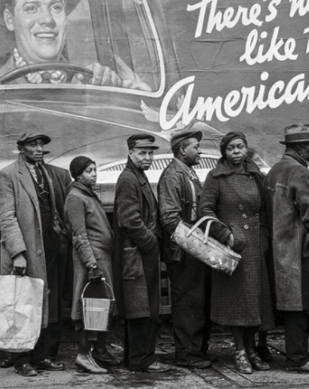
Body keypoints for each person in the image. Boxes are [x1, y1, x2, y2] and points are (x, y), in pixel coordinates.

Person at [0, 0, 149, 89]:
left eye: (56, 7)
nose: (47, 19)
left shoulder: (91, 85)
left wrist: (123, 95)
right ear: (10, 20)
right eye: (31, 8)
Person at [198, 131, 274, 375]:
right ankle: (240, 350)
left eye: (240, 147)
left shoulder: (255, 175)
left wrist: (262, 238)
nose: (236, 152)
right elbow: (205, 211)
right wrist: (226, 235)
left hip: (254, 247)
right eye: (231, 148)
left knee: (254, 302)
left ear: (246, 148)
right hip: (231, 249)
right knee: (236, 302)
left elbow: (263, 211)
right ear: (224, 152)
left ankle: (251, 349)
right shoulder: (215, 177)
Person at [0, 130, 70, 377]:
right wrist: (17, 252)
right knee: (21, 304)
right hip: (25, 251)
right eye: (33, 145)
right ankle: (21, 360)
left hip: (47, 248)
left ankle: (40, 356)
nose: (39, 149)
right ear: (21, 148)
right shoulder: (8, 174)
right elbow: (6, 217)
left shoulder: (45, 172)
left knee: (42, 303)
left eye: (41, 145)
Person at [264, 124, 309, 375]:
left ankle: (298, 353)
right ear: (300, 147)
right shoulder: (299, 172)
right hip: (301, 250)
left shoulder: (275, 170)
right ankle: (297, 358)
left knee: (294, 305)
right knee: (301, 306)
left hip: (280, 249)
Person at [113, 134, 170, 373]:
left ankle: (134, 359)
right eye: (143, 153)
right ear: (131, 153)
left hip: (138, 252)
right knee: (141, 310)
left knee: (141, 308)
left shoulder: (137, 176)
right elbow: (129, 220)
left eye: (151, 153)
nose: (148, 157)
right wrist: (151, 243)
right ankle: (141, 360)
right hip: (136, 254)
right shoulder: (128, 179)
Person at [157, 130, 213, 370]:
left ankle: (197, 351)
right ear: (182, 150)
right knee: (186, 302)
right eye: (196, 147)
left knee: (197, 301)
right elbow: (169, 218)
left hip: (194, 249)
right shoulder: (172, 175)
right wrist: (197, 243)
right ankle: (186, 354)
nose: (200, 151)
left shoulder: (188, 172)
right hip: (184, 252)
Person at [64, 156, 119, 374]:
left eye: (95, 169)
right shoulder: (75, 198)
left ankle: (99, 351)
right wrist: (92, 265)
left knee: (101, 306)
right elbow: (79, 235)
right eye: (88, 171)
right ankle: (83, 354)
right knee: (90, 308)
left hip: (101, 258)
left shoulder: (87, 193)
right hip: (92, 261)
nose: (94, 174)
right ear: (77, 175)